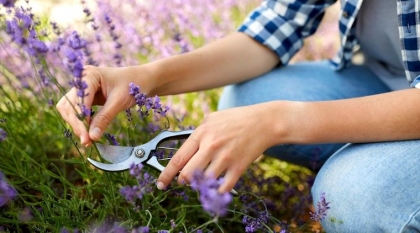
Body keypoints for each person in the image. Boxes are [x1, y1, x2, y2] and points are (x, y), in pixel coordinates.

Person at [56, 0, 420, 232]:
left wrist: (278, 121)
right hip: (391, 78)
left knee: (350, 195)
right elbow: (278, 24)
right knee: (246, 97)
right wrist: (146, 77)